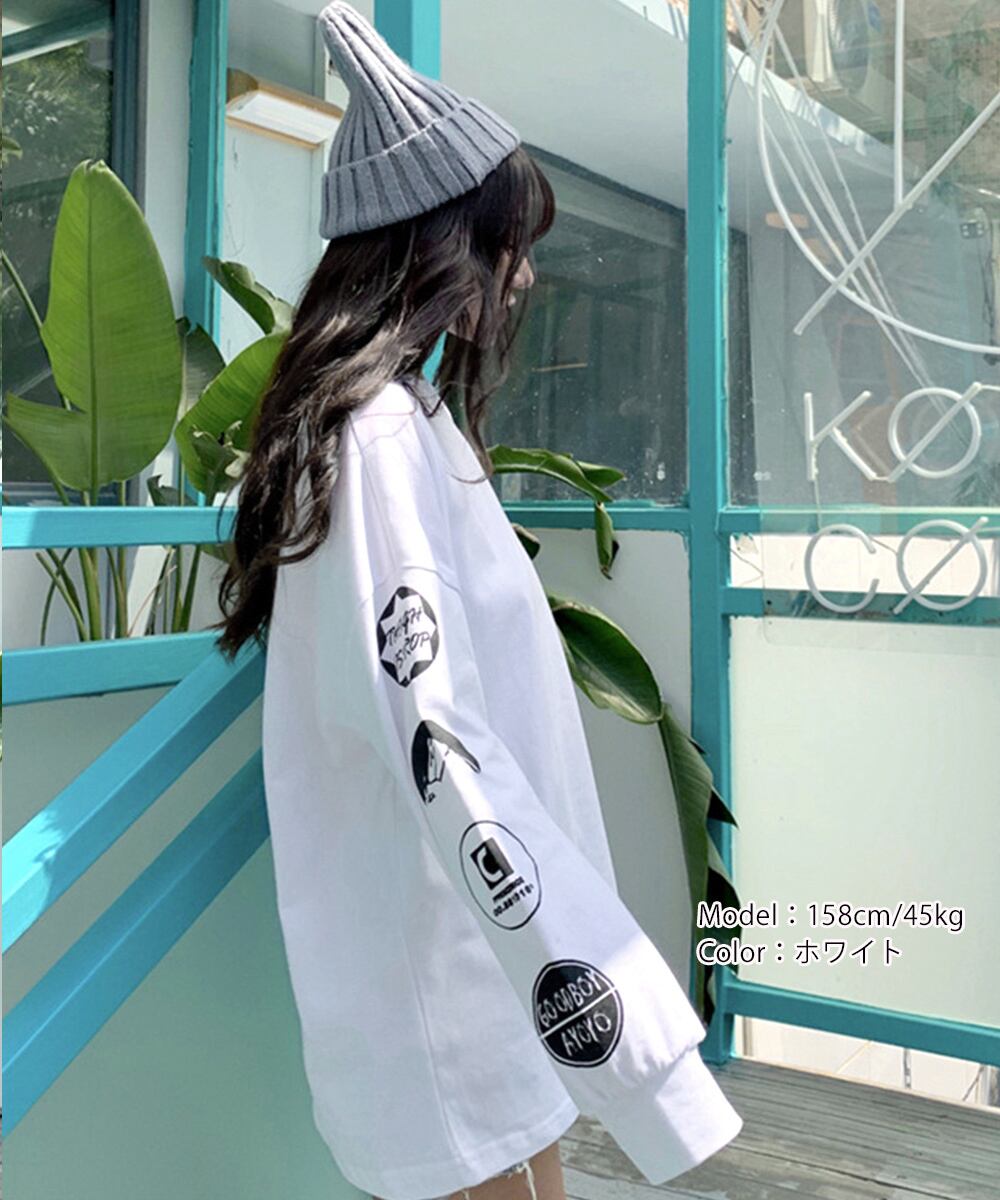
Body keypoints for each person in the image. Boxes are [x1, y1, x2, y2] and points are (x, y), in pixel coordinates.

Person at [210, 4, 743, 1199]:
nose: (526, 272)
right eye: (511, 242)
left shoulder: (405, 420)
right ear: (444, 246)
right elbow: (436, 732)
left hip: (478, 942)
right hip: (448, 949)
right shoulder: (379, 437)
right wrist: (600, 992)